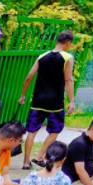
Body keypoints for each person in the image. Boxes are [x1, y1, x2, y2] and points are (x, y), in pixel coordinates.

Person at [18, 30, 75, 171]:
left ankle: (26, 162)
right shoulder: (67, 58)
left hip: (38, 101)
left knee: (32, 131)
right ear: (68, 43)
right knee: (55, 130)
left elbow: (29, 76)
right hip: (55, 103)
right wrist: (72, 100)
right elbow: (68, 79)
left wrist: (23, 95)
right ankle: (39, 156)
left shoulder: (42, 56)